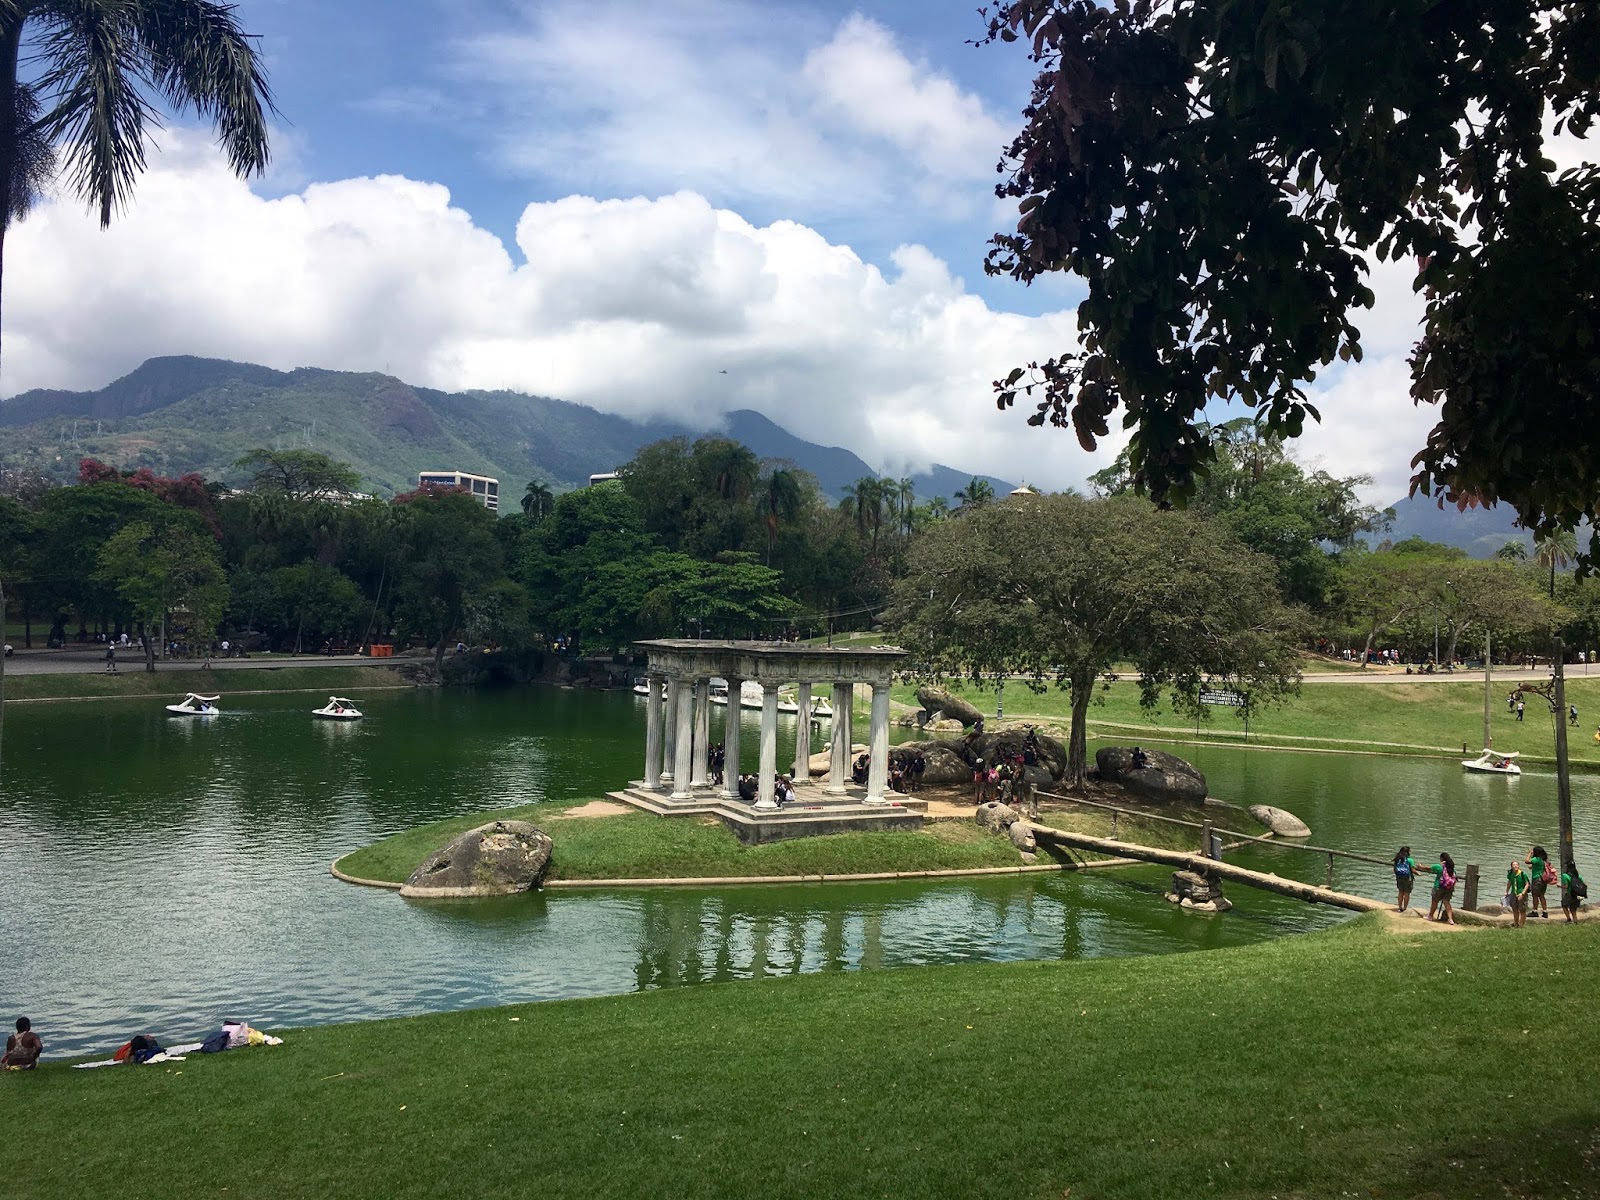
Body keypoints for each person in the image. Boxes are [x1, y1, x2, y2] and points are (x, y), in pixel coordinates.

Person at [1528, 845, 1553, 918]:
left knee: (1535, 895)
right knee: (1542, 895)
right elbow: (1530, 866)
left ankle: (1535, 911)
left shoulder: (1536, 859)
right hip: (1543, 879)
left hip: (1537, 879)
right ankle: (1545, 912)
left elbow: (1527, 861)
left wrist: (1529, 853)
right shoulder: (1543, 860)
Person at [1392, 845, 1418, 913]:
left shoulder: (1397, 859)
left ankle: (1400, 907)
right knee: (1407, 893)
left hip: (1399, 878)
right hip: (1407, 878)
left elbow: (1394, 869)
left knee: (1400, 892)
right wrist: (1418, 873)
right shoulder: (1410, 860)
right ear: (1408, 852)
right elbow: (1413, 870)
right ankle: (1405, 908)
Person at [1506, 859, 1530, 927]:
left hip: (1521, 893)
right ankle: (1516, 924)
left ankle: (1521, 925)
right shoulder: (1511, 874)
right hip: (1514, 893)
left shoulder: (1523, 874)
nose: (1515, 866)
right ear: (1511, 866)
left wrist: (1522, 893)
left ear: (1519, 866)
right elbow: (1509, 882)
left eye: (1516, 864)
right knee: (1514, 909)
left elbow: (1527, 884)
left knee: (1522, 910)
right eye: (1514, 865)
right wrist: (1506, 891)